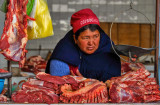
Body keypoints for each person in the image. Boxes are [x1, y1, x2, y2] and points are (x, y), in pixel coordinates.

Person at [45, 8, 121, 82]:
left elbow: (115, 84)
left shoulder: (107, 47)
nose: (91, 43)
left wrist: (89, 83)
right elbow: (57, 89)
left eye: (95, 36)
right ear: (75, 39)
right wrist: (78, 86)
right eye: (86, 38)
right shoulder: (62, 59)